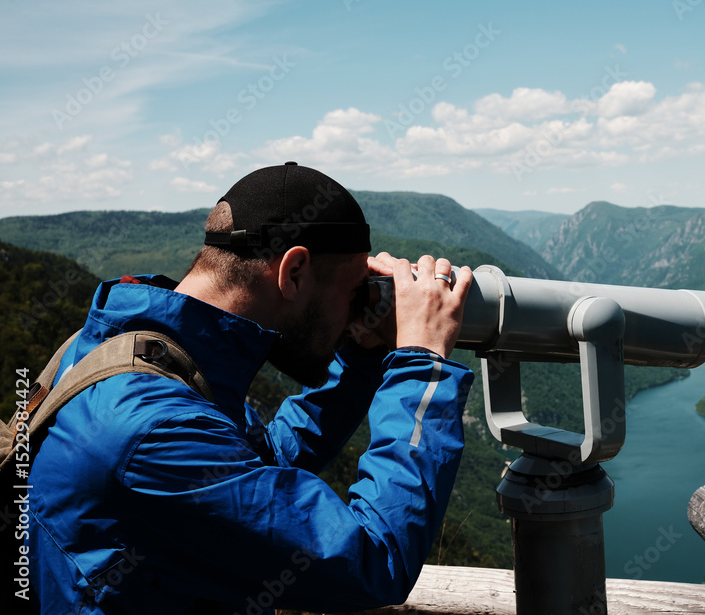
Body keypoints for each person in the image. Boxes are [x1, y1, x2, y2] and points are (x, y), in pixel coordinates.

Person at [26, 162, 475, 614]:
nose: (358, 307)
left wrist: (361, 360)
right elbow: (374, 561)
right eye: (355, 290)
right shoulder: (153, 430)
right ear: (293, 272)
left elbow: (249, 469)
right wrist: (423, 363)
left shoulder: (124, 350)